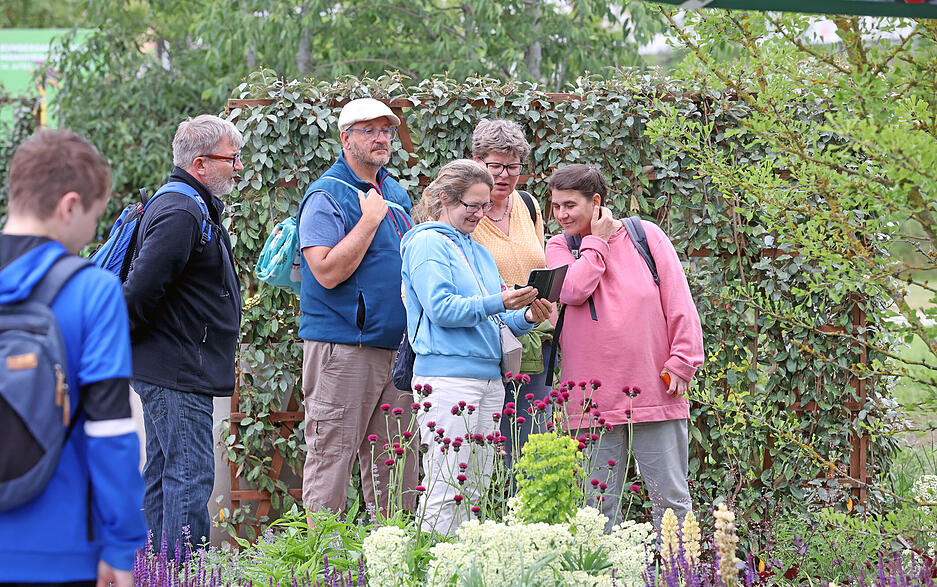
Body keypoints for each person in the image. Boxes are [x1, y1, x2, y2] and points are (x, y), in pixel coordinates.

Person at [0, 129, 146, 586]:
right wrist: (122, 545)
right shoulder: (92, 291)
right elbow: (111, 431)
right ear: (68, 206)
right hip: (61, 548)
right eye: (95, 217)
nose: (92, 233)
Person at [544, 164, 704, 531]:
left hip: (653, 389)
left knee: (672, 504)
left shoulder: (645, 235)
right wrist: (595, 244)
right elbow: (572, 290)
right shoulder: (559, 246)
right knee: (594, 510)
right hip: (588, 401)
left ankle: (680, 576)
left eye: (569, 205)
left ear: (596, 201)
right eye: (555, 206)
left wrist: (682, 361)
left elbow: (679, 302)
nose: (561, 214)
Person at [400, 159, 553, 535]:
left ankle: (462, 568)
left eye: (486, 206)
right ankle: (431, 570)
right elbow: (442, 309)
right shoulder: (426, 243)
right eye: (472, 205)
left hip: (489, 379)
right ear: (442, 198)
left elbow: (496, 319)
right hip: (447, 378)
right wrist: (502, 301)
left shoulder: (479, 252)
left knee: (475, 488)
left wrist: (528, 315)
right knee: (445, 484)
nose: (481, 214)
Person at [123, 115, 243, 556]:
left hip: (173, 365)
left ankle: (154, 571)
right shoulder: (180, 210)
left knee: (163, 471)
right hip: (175, 370)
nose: (238, 167)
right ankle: (180, 573)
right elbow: (139, 291)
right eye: (232, 158)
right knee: (189, 476)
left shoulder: (190, 204)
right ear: (199, 162)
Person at [298, 98, 418, 518]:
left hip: (397, 352)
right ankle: (320, 570)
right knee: (332, 459)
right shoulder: (325, 194)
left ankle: (395, 565)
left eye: (386, 130)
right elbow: (326, 271)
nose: (381, 137)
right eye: (369, 130)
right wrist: (368, 220)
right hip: (343, 350)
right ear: (345, 138)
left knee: (397, 468)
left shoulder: (396, 192)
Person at [469, 119, 552, 465]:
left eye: (513, 166)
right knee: (492, 445)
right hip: (490, 343)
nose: (504, 175)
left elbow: (541, 260)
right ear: (476, 163)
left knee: (533, 441)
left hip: (537, 339)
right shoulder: (466, 213)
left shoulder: (529, 205)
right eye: (496, 165)